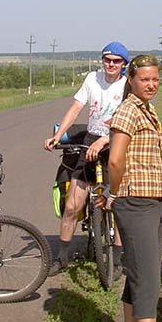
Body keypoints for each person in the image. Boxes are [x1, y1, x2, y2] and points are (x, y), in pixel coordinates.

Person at [108, 54, 162, 322]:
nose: (151, 84)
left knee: (138, 273)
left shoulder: (148, 109)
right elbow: (115, 160)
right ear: (131, 79)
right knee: (148, 280)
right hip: (135, 202)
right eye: (145, 79)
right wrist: (112, 194)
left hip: (153, 200)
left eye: (156, 79)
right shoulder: (128, 110)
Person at [44, 41, 129, 275]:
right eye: (107, 60)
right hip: (91, 140)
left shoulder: (127, 85)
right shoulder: (92, 79)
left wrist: (106, 140)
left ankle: (119, 259)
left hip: (116, 141)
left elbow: (126, 118)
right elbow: (75, 108)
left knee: (117, 202)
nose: (111, 65)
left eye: (116, 61)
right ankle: (62, 257)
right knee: (73, 205)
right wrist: (58, 135)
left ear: (124, 64)